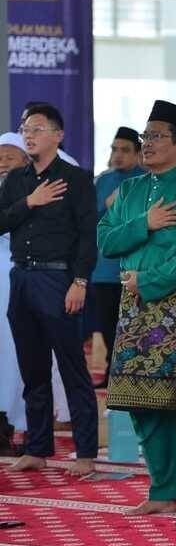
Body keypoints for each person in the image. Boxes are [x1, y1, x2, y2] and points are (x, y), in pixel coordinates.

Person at [99, 100, 176, 517]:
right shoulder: (130, 191)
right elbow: (106, 242)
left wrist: (147, 280)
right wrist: (144, 224)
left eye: (156, 137)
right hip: (133, 306)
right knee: (140, 398)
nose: (146, 144)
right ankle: (164, 489)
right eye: (144, 137)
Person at [1, 104, 98, 476]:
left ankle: (86, 452)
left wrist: (80, 281)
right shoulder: (16, 181)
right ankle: (38, 447)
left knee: (72, 368)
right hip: (21, 278)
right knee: (33, 369)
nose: (29, 134)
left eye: (38, 128)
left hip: (59, 280)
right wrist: (30, 202)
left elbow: (88, 237)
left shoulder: (76, 179)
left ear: (58, 135)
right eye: (25, 127)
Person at [91, 127, 144, 388]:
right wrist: (107, 205)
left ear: (138, 153)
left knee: (133, 324)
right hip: (103, 268)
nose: (118, 155)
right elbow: (90, 218)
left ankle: (131, 373)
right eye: (114, 149)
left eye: (125, 150)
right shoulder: (102, 180)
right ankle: (113, 370)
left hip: (132, 268)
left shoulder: (145, 179)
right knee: (106, 324)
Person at [0, 133, 30, 434]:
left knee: (16, 353)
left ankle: (15, 422)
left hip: (21, 277)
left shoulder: (35, 190)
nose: (3, 163)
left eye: (10, 157)